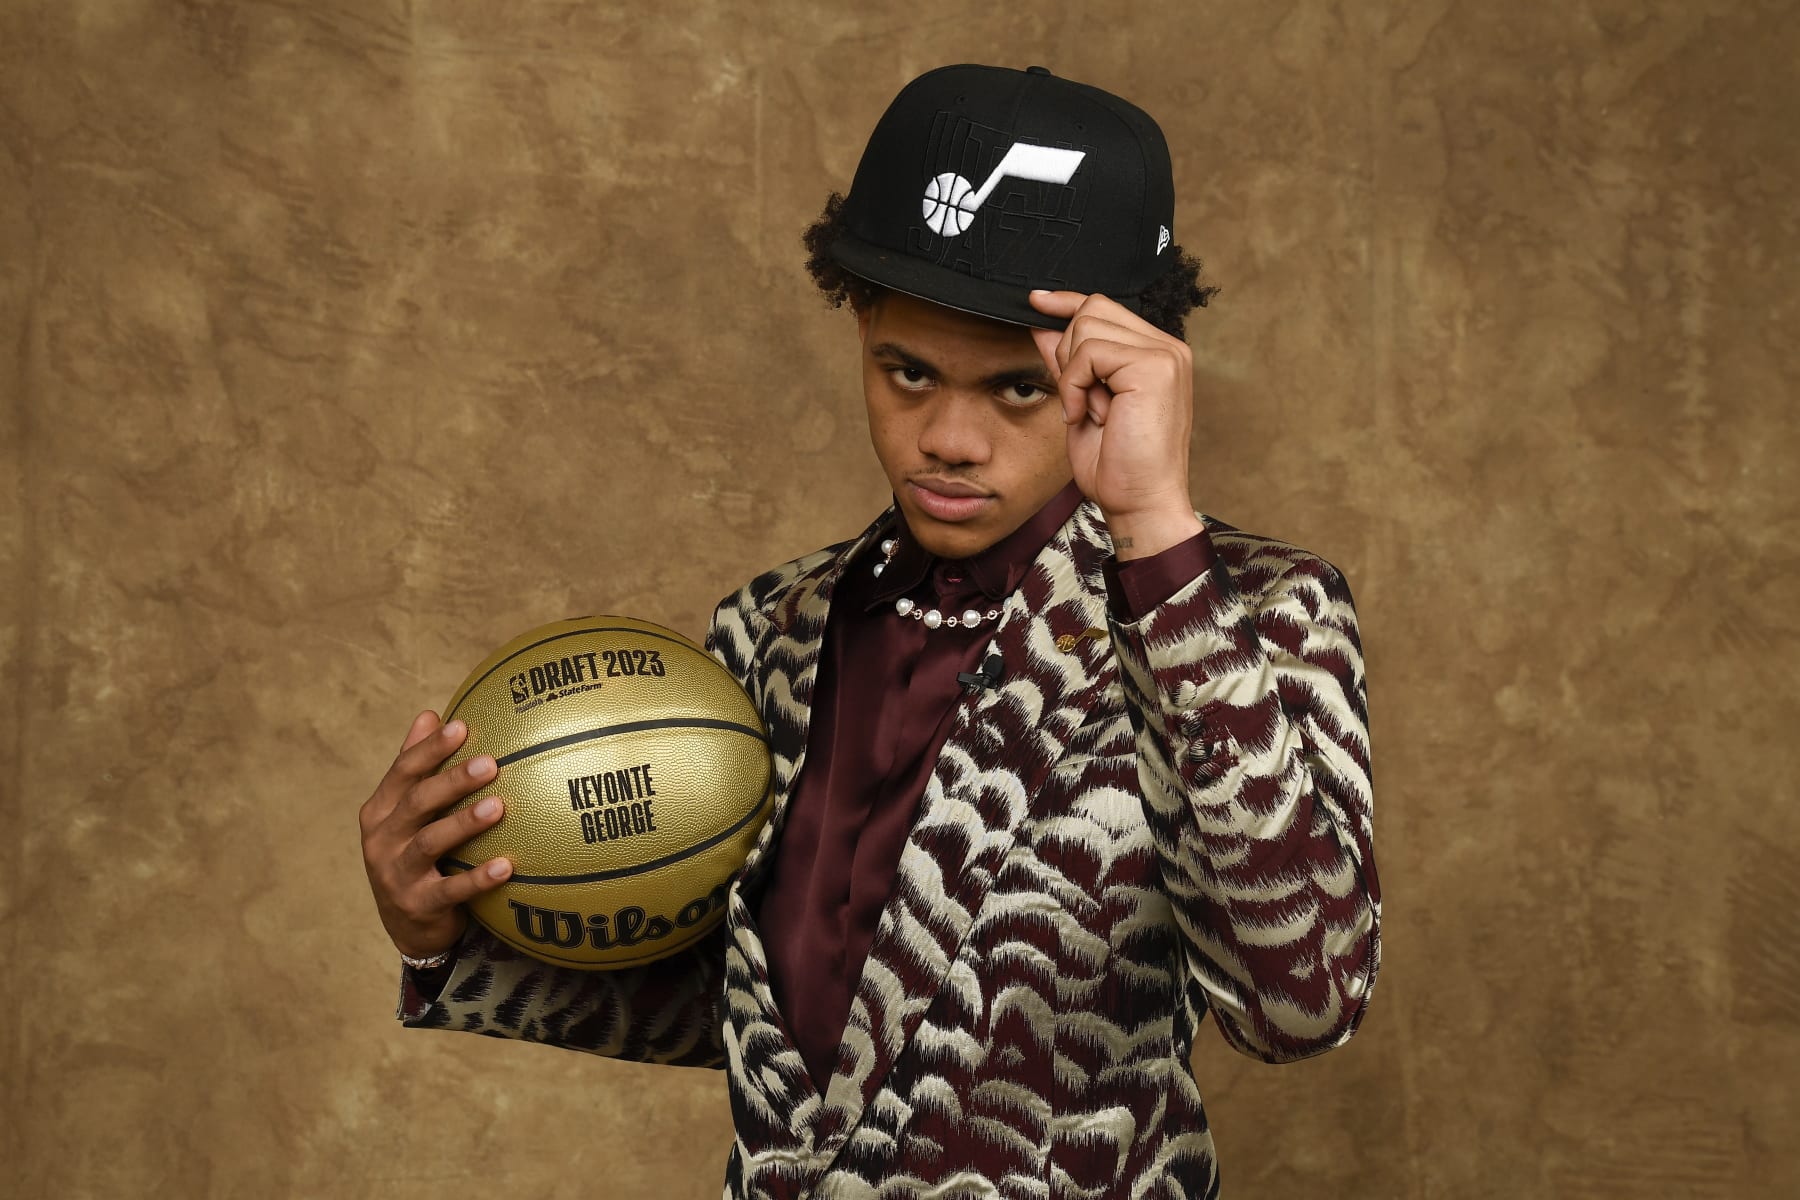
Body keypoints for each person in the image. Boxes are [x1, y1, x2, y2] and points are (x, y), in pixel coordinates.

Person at [359, 63, 1380, 1198]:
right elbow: (764, 1022)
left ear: (1122, 374)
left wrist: (1153, 530)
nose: (947, 436)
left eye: (1015, 390)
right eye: (908, 372)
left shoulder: (1242, 613)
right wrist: (442, 927)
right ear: (857, 327)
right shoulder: (772, 630)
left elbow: (1304, 1002)